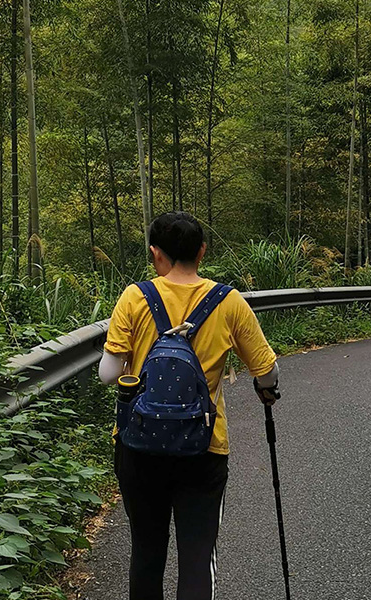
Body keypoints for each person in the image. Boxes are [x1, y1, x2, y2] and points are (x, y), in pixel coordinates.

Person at [98, 212, 280, 599]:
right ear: (202, 251)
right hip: (203, 447)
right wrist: (266, 391)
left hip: (138, 446)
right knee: (198, 558)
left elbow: (107, 374)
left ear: (155, 254)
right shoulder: (229, 302)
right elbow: (267, 372)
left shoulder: (134, 296)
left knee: (146, 552)